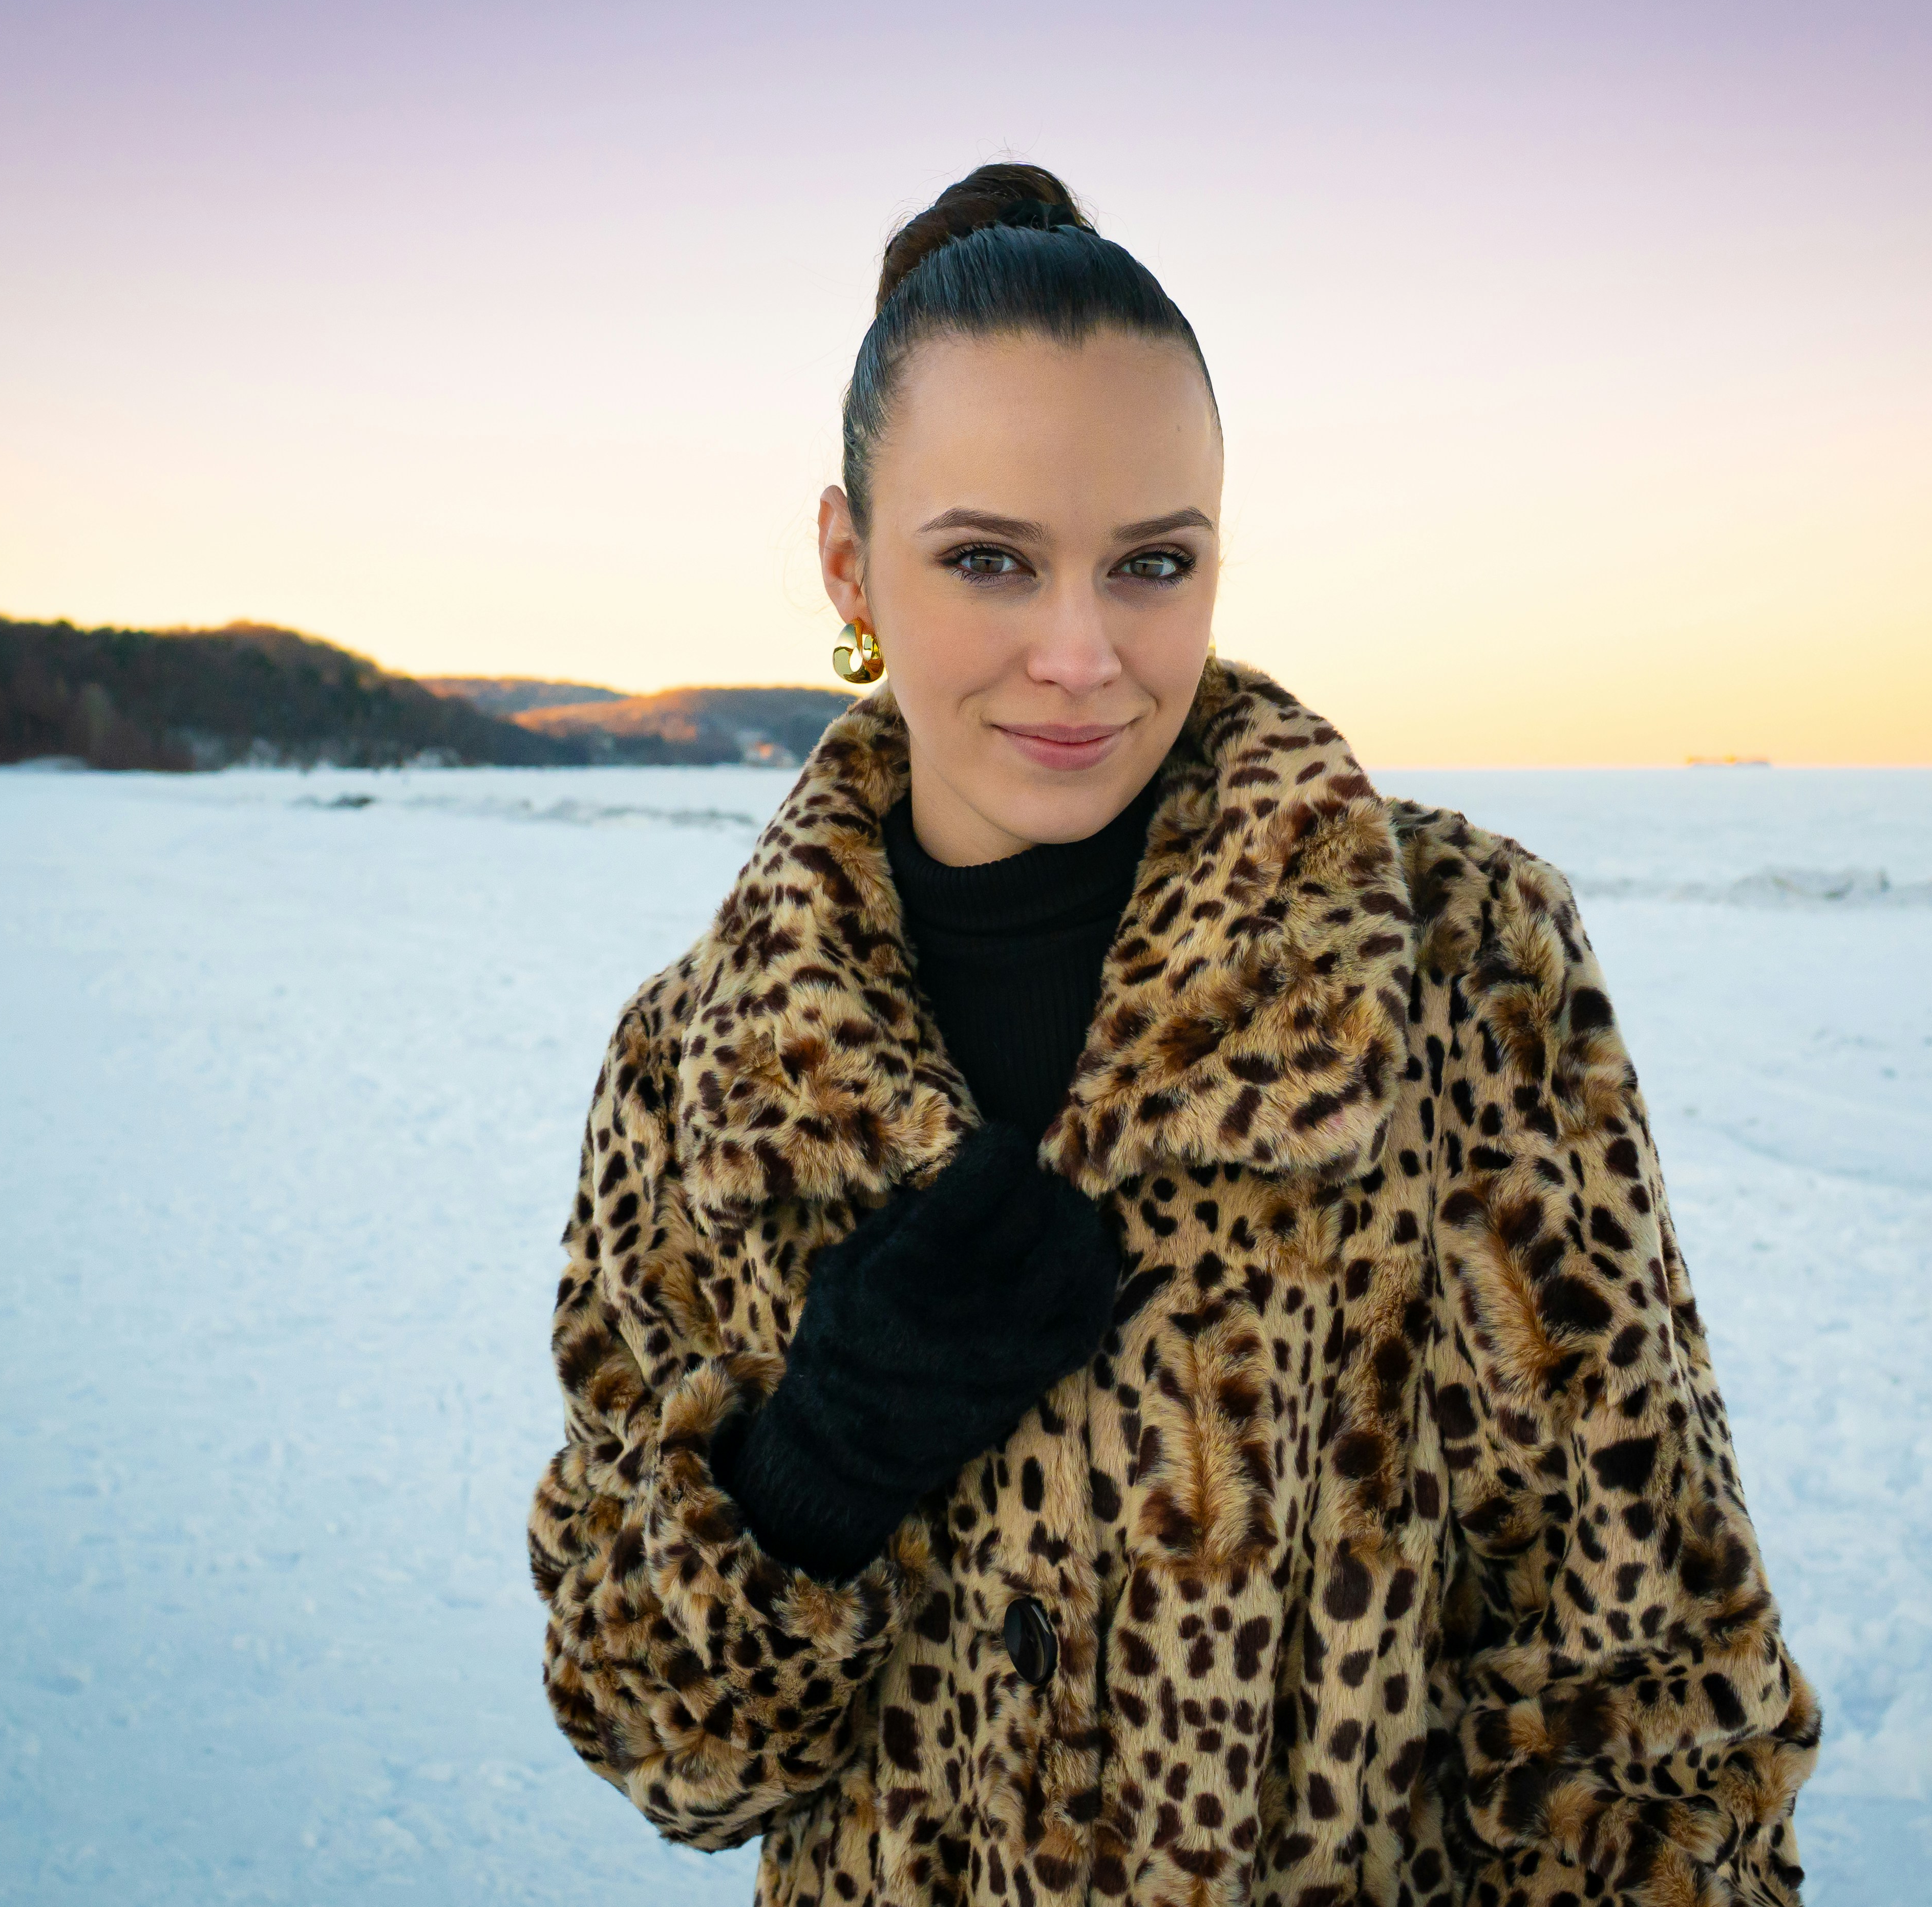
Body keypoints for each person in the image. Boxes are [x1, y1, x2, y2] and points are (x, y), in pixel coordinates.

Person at [526, 163, 1818, 1906]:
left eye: (1150, 562)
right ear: (846, 559)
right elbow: (661, 1751)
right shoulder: (703, 1069)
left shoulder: (1453, 963)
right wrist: (805, 1474)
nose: (1081, 655)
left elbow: (1647, 1692)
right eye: (989, 559)